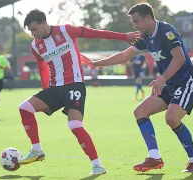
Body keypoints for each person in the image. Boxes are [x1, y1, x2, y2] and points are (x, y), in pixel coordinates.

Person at [18, 9, 141, 176]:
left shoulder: (66, 30)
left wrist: (124, 36)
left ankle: (97, 165)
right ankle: (37, 150)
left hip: (74, 85)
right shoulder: (35, 46)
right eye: (30, 31)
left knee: (74, 125)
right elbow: (42, 67)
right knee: (24, 108)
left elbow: (96, 33)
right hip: (54, 88)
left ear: (43, 23)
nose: (33, 34)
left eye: (34, 29)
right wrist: (45, 89)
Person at [89, 3, 193, 173]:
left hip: (186, 81)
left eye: (136, 21)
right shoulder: (144, 38)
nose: (134, 26)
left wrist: (162, 78)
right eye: (133, 23)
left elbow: (179, 59)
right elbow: (124, 56)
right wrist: (96, 64)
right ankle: (154, 157)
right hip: (167, 83)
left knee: (171, 118)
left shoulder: (166, 31)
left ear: (148, 18)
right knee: (140, 111)